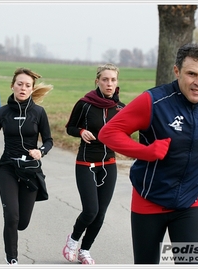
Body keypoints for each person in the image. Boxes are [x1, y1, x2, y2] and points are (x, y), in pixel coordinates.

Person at [98, 43, 198, 264]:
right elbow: (109, 133)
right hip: (149, 199)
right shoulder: (154, 102)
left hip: (191, 200)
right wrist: (146, 151)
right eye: (191, 74)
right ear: (177, 71)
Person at [0, 67, 54, 265]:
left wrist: (40, 151)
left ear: (32, 89)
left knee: (22, 222)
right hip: (7, 167)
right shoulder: (2, 112)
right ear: (12, 86)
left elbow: (49, 140)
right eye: (19, 84)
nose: (23, 88)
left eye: (27, 85)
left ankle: (14, 235)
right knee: (11, 216)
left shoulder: (39, 113)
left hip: (30, 171)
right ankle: (12, 259)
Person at [62, 63, 125, 264]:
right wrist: (80, 131)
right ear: (97, 81)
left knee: (101, 214)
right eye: (105, 79)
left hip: (109, 164)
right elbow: (70, 127)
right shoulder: (85, 104)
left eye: (113, 80)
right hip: (86, 162)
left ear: (117, 83)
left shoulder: (120, 108)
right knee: (91, 210)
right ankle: (72, 241)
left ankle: (85, 250)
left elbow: (126, 133)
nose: (109, 83)